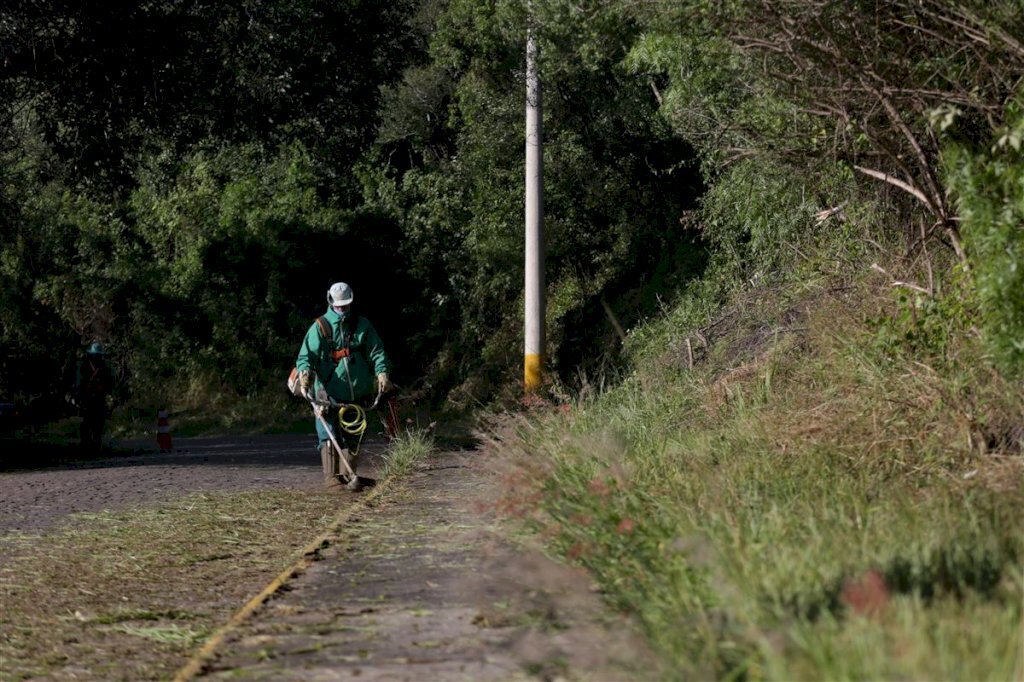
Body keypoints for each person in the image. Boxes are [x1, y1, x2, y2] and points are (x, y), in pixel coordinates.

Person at [294, 282, 392, 489]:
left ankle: (348, 476)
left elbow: (377, 351)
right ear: (330, 301)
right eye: (339, 305)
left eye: (345, 305)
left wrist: (382, 372)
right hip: (328, 391)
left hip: (359, 390)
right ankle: (332, 479)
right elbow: (306, 357)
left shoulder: (362, 325)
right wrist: (305, 375)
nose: (342, 309)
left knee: (355, 433)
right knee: (327, 431)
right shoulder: (319, 327)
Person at [74, 341, 113, 453]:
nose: (97, 357)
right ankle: (85, 445)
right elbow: (79, 382)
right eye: (95, 355)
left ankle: (96, 445)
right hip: (86, 399)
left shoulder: (104, 367)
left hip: (99, 398)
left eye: (99, 355)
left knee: (98, 423)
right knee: (86, 423)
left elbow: (109, 383)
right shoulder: (83, 366)